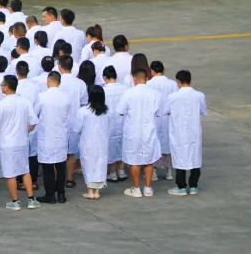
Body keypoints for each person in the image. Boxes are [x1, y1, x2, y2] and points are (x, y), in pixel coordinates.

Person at [0, 75, 40, 211]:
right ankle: (31, 199)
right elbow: (33, 121)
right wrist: (25, 131)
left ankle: (15, 201)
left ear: (7, 87)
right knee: (25, 170)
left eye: (2, 85)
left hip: (7, 143)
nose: (1, 87)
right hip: (22, 142)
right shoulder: (25, 102)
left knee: (10, 173)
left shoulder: (1, 104)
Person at [117, 68, 162, 198]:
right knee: (149, 159)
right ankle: (148, 188)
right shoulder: (155, 93)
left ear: (134, 79)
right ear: (146, 79)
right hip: (149, 131)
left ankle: (136, 188)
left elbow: (120, 111)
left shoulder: (129, 93)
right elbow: (159, 112)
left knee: (134, 160)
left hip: (133, 131)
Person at [37, 71, 76, 204]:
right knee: (61, 166)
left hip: (46, 136)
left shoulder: (42, 96)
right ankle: (61, 194)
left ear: (49, 80)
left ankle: (50, 195)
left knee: (48, 167)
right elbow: (70, 117)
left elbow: (35, 114)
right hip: (61, 136)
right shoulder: (66, 97)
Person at [167, 70, 207, 196]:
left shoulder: (172, 97)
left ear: (178, 81)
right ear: (190, 80)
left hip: (179, 133)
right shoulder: (199, 95)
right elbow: (203, 111)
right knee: (195, 158)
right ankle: (194, 186)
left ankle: (181, 187)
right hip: (194, 132)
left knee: (180, 159)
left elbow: (166, 111)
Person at [73, 86, 109, 200]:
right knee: (100, 165)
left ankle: (90, 191)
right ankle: (97, 191)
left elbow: (76, 128)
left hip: (87, 142)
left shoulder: (83, 111)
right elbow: (110, 127)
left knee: (88, 165)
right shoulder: (107, 111)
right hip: (102, 142)